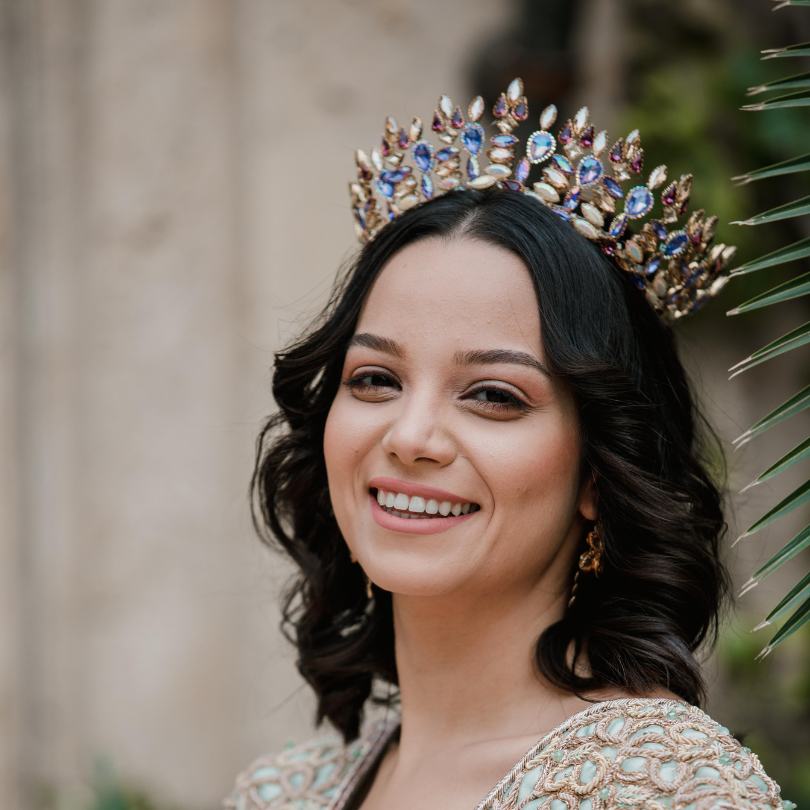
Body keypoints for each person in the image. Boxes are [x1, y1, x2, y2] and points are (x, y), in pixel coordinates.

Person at [225, 80, 791, 809]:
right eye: (374, 379)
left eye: (493, 395)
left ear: (598, 471)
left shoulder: (662, 790)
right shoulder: (282, 794)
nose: (411, 436)